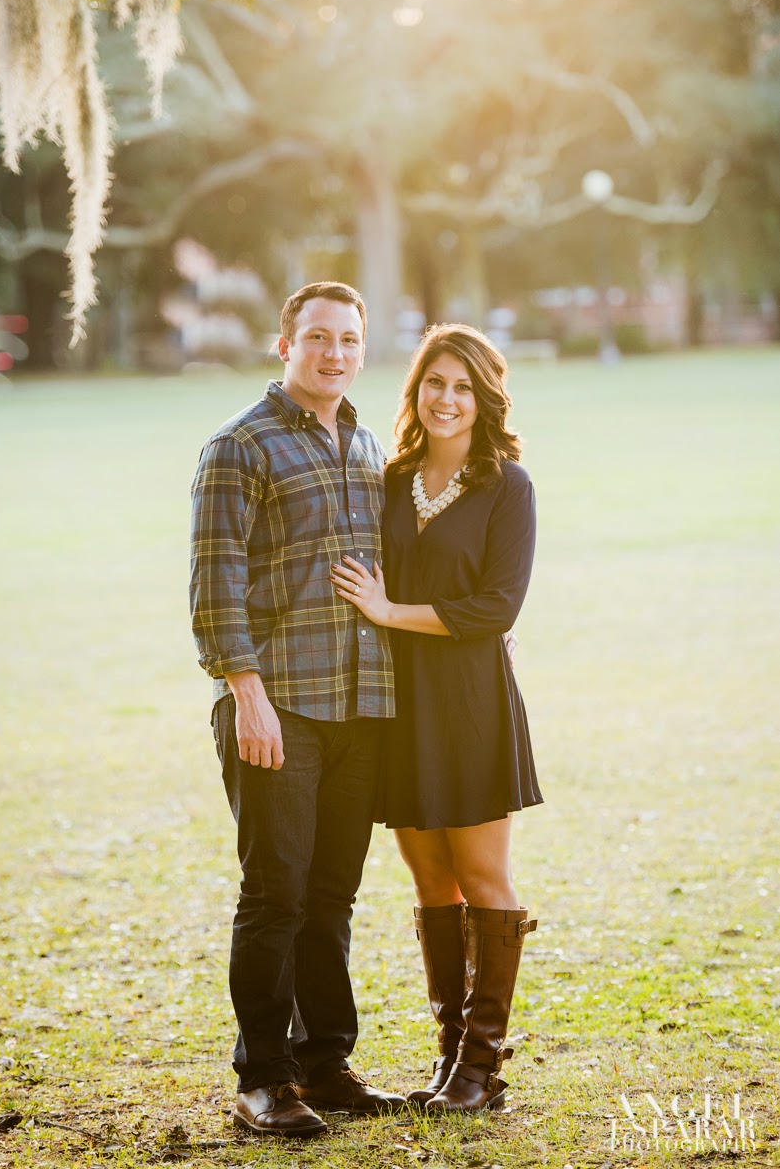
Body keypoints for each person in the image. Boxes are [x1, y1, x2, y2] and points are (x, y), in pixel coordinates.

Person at [190, 281, 405, 1138]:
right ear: (285, 345)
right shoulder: (239, 445)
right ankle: (262, 1079)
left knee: (331, 896)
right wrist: (245, 695)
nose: (334, 353)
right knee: (275, 894)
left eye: (348, 339)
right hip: (277, 704)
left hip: (361, 705)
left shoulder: (366, 442)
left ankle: (325, 1062)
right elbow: (214, 585)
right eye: (317, 337)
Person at [331, 323, 542, 1114]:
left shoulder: (507, 486)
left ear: (485, 400)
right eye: (434, 383)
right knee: (431, 883)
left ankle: (482, 1071)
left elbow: (496, 607)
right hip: (397, 704)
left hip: (471, 702)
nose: (446, 399)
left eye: (462, 387)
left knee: (482, 876)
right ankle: (451, 1058)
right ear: (414, 390)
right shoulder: (388, 480)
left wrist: (389, 612)